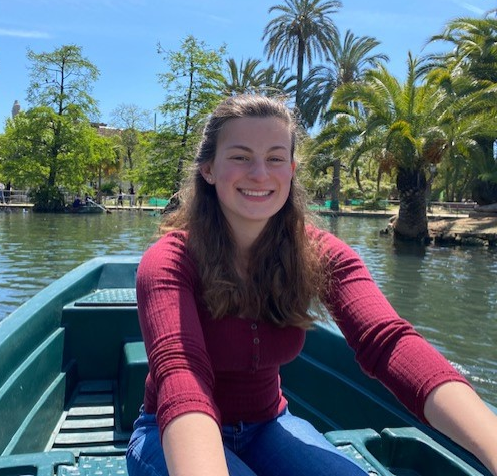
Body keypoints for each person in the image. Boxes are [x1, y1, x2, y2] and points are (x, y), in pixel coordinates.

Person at [127, 94, 497, 476]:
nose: (259, 173)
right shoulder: (169, 261)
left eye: (274, 158)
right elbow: (180, 375)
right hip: (167, 432)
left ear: (291, 168)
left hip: (268, 425)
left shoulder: (319, 253)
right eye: (240, 156)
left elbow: (389, 342)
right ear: (208, 168)